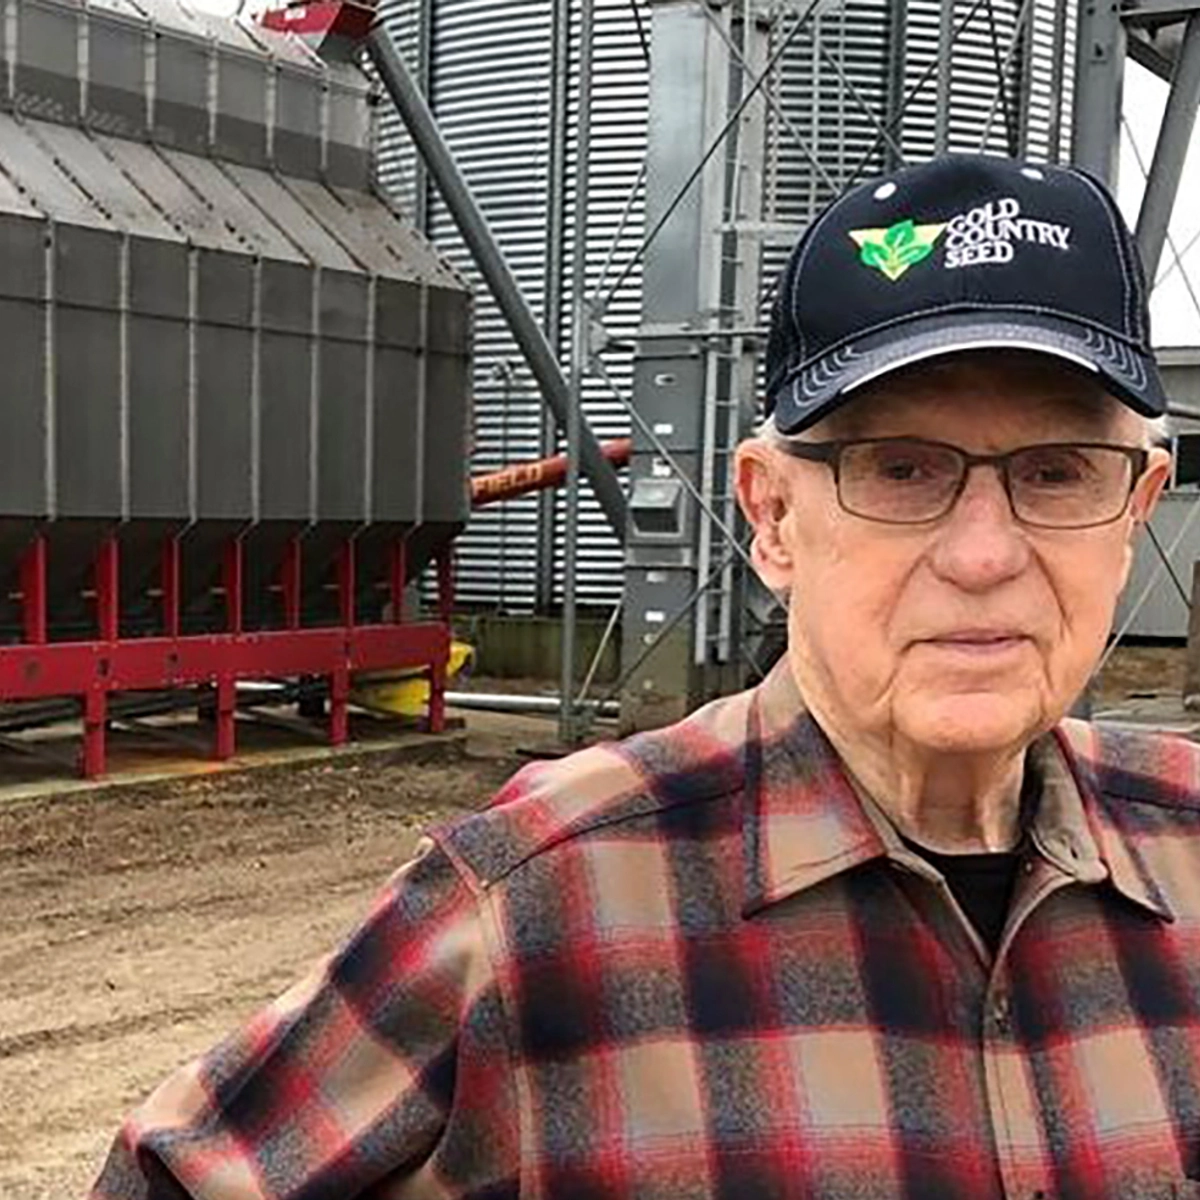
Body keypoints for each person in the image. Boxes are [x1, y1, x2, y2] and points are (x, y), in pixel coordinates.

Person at [91, 152, 1200, 1200]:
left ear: (1135, 512)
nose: (982, 554)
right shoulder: (545, 898)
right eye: (900, 470)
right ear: (772, 517)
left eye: (1058, 473)